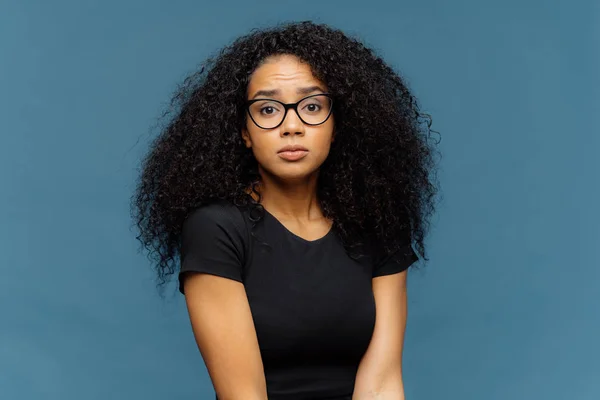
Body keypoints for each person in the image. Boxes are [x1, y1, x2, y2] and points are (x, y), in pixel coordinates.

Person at [132, 20, 439, 400]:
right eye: (267, 109)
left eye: (312, 106)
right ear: (244, 131)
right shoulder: (216, 229)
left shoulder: (378, 221)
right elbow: (243, 395)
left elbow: (382, 383)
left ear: (337, 125)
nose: (291, 126)